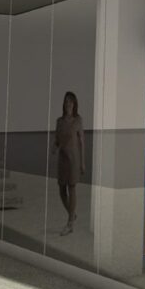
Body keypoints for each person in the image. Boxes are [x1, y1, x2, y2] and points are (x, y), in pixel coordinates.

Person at [52, 91, 85, 235]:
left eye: (70, 101)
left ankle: (70, 223)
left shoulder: (78, 120)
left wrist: (83, 162)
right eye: (66, 101)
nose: (68, 104)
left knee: (72, 188)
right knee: (61, 190)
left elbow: (82, 142)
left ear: (74, 104)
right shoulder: (59, 121)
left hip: (74, 159)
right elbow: (57, 140)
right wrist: (54, 148)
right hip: (62, 159)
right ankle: (72, 214)